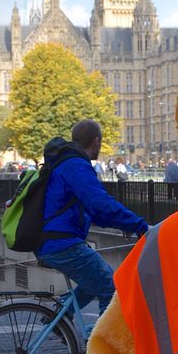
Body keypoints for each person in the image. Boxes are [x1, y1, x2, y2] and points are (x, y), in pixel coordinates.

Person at [36, 120, 149, 316]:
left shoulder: (64, 163)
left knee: (93, 282)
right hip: (62, 242)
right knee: (111, 287)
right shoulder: (76, 165)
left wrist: (123, 223)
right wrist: (139, 225)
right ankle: (103, 344)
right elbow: (100, 203)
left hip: (49, 241)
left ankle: (59, 319)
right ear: (96, 141)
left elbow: (92, 211)